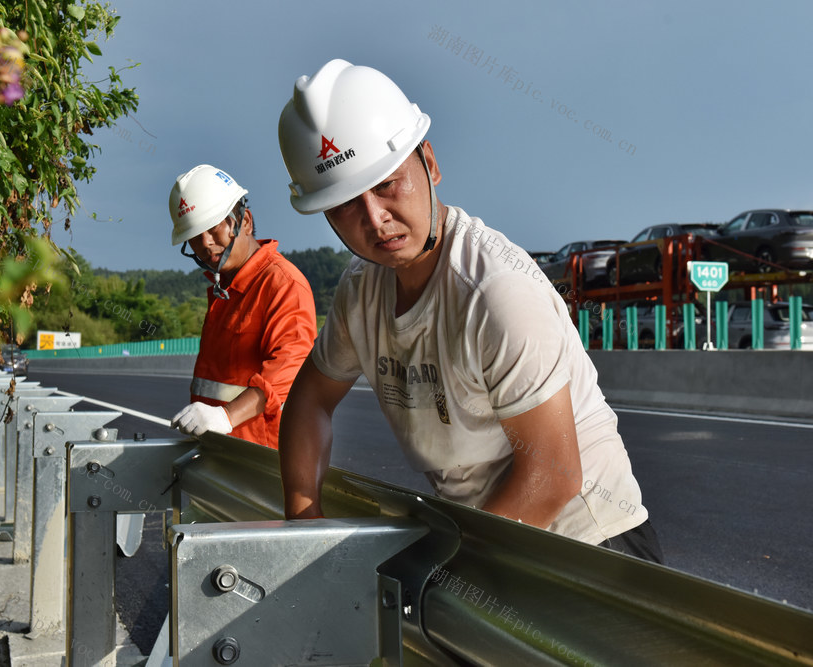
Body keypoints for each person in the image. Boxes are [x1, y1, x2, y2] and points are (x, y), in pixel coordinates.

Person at [276, 59, 662, 562]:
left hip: (587, 546)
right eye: (346, 204)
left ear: (429, 163)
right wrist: (301, 523)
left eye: (388, 184)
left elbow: (554, 475)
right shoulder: (361, 290)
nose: (375, 219)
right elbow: (309, 401)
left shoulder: (495, 292)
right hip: (487, 536)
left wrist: (452, 568)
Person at [167, 164, 317, 449]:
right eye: (194, 237)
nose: (206, 244)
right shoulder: (223, 289)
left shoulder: (282, 285)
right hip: (216, 449)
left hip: (258, 458)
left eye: (213, 229)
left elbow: (289, 368)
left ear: (244, 221)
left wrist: (226, 416)